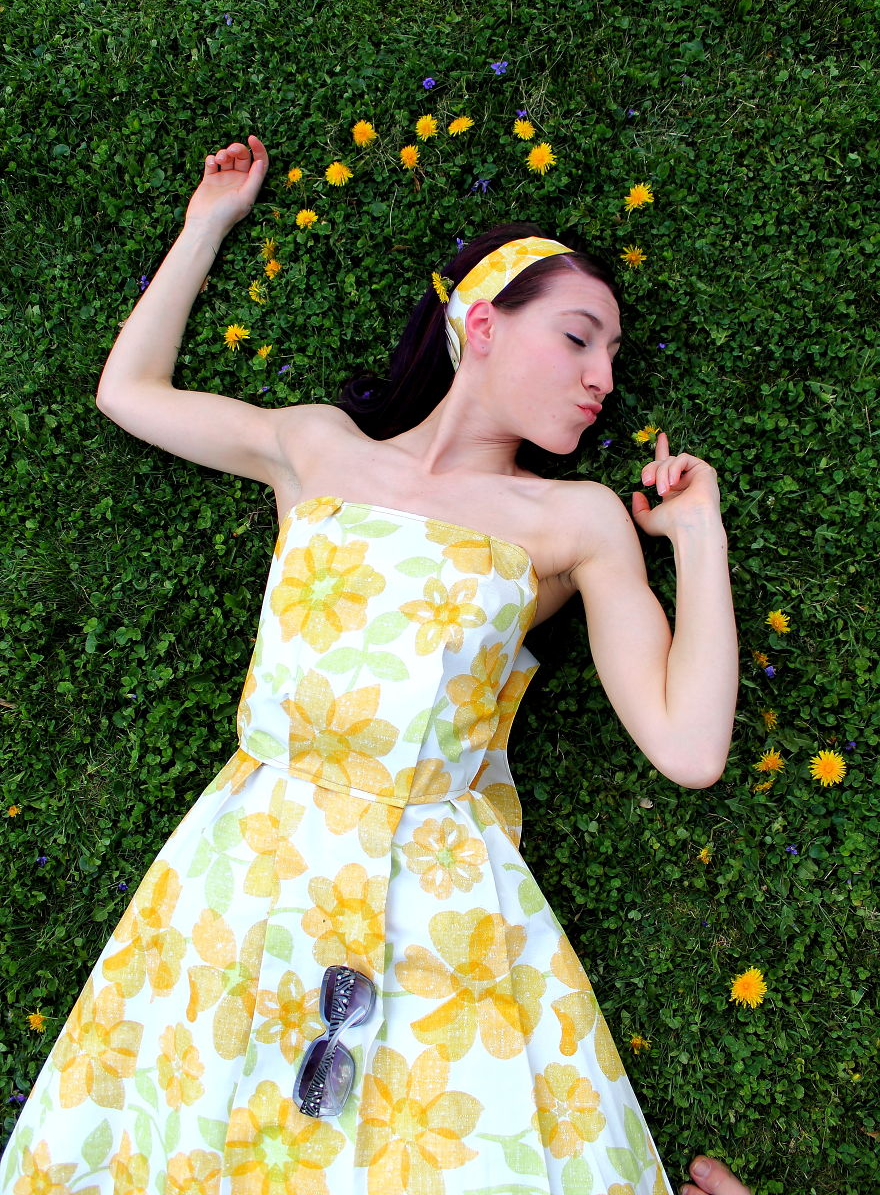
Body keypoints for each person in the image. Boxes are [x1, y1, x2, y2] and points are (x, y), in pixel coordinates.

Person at [0, 136, 742, 1195]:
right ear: (480, 324)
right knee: (191, 1129)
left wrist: (699, 537)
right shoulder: (318, 449)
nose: (602, 381)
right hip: (245, 860)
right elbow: (129, 389)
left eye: (612, 358)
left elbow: (689, 747)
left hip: (433, 892)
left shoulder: (573, 522)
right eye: (580, 339)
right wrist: (208, 218)